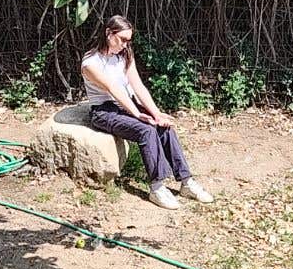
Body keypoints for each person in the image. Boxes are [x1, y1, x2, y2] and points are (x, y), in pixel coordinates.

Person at [81, 15, 213, 210]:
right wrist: (137, 114)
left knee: (163, 127)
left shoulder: (124, 55)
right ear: (109, 34)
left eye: (128, 40)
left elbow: (138, 87)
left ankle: (186, 181)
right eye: (122, 39)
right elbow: (113, 90)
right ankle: (157, 187)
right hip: (104, 111)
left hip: (126, 104)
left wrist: (156, 114)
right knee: (146, 130)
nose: (125, 45)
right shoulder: (91, 63)